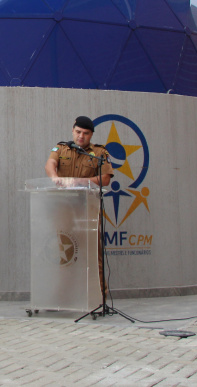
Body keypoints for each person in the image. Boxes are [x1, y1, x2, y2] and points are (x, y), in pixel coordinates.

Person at [45, 116, 114, 306]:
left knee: (92, 253)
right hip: (64, 209)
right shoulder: (61, 148)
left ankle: (99, 298)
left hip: (88, 209)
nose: (81, 136)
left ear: (91, 134)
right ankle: (63, 297)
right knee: (65, 253)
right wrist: (55, 178)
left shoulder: (99, 152)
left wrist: (80, 182)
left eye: (85, 133)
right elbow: (50, 164)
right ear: (72, 130)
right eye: (78, 132)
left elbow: (106, 178)